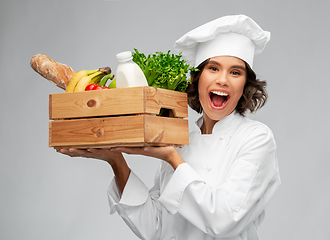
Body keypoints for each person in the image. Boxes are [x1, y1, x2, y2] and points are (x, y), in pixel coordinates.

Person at [59, 14, 281, 240]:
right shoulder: (183, 141)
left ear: (245, 85)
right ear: (198, 78)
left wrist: (173, 159)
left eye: (235, 72)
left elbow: (224, 221)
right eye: (213, 68)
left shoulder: (256, 139)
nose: (223, 80)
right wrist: (116, 161)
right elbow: (156, 228)